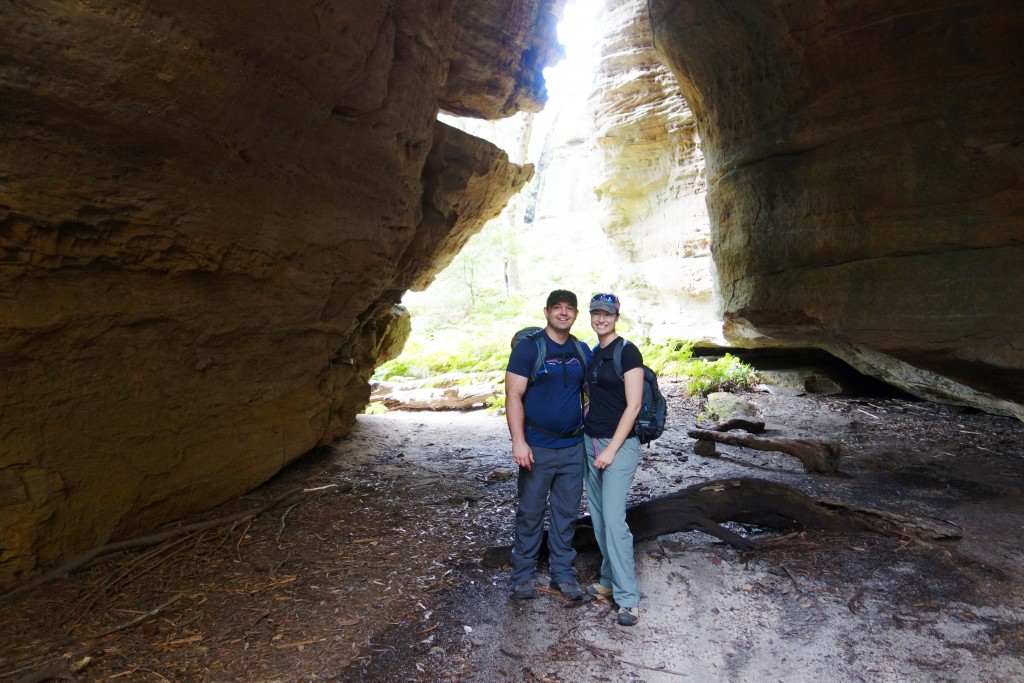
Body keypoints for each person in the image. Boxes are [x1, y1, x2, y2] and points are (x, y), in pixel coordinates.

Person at [505, 289, 590, 601]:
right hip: (537, 446)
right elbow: (513, 395)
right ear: (547, 312)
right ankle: (523, 575)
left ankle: (562, 573)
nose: (563, 313)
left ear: (576, 314)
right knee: (530, 512)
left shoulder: (582, 350)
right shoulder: (529, 349)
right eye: (557, 308)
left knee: (566, 513)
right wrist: (519, 441)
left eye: (569, 308)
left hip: (572, 447)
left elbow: (589, 395)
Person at [582, 292, 644, 626]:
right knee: (599, 517)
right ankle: (607, 580)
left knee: (614, 520)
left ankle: (628, 599)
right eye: (596, 314)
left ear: (616, 317)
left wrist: (611, 448)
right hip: (590, 442)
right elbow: (595, 395)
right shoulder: (595, 353)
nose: (601, 319)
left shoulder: (627, 351)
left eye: (607, 314)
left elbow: (633, 406)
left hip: (618, 446)